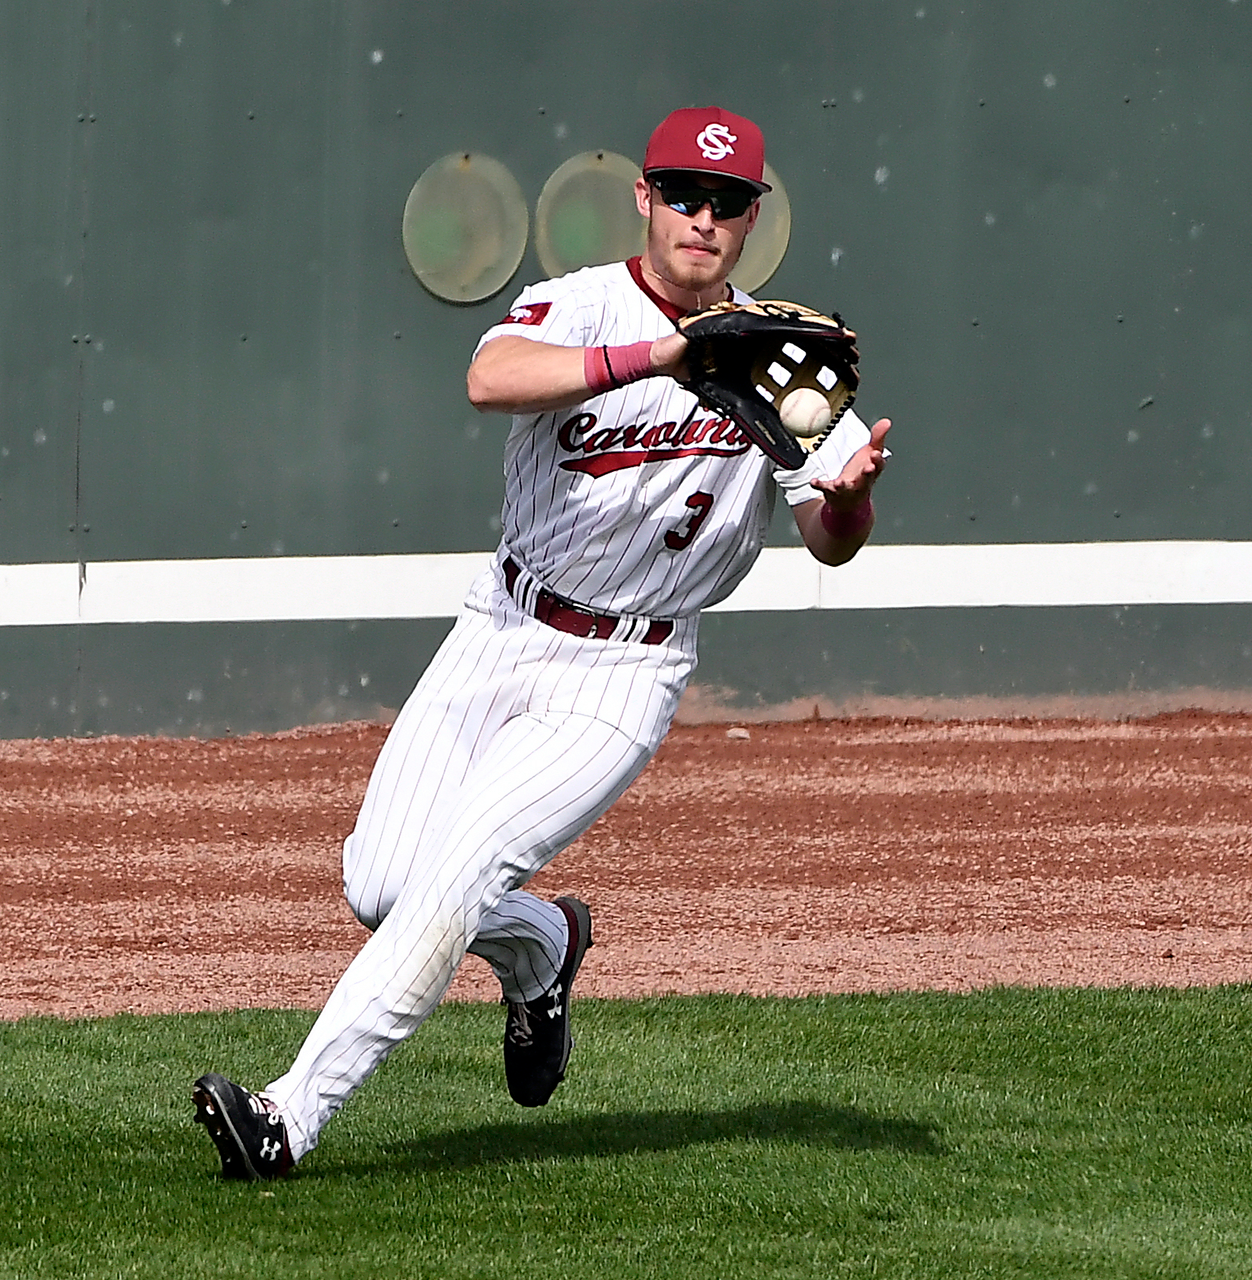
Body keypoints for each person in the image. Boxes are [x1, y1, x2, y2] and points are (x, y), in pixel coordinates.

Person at [192, 104, 891, 1180]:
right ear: (643, 199)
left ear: (753, 219)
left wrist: (846, 501)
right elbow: (489, 378)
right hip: (501, 626)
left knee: (454, 876)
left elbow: (828, 538)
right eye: (684, 194)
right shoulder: (578, 303)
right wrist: (671, 352)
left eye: (728, 203)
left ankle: (291, 1114)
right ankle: (545, 948)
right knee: (380, 885)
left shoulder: (783, 355)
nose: (703, 218)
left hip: (624, 670)